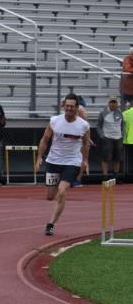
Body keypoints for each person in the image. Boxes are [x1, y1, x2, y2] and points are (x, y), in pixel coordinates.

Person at [35, 93, 91, 236]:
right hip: (53, 161)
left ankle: (51, 224)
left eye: (72, 106)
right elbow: (44, 139)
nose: (69, 109)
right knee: (50, 196)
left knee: (62, 191)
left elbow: (85, 144)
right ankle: (57, 200)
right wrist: (39, 158)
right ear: (63, 106)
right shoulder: (54, 121)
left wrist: (85, 161)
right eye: (67, 106)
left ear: (77, 108)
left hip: (72, 162)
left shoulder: (83, 125)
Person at [97, 96, 125, 180]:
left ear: (117, 104)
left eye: (114, 102)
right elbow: (98, 126)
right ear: (108, 103)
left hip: (118, 138)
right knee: (106, 158)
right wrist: (102, 135)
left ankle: (115, 176)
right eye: (111, 102)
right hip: (107, 138)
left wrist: (122, 134)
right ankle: (105, 176)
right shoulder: (103, 113)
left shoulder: (120, 113)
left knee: (117, 158)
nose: (113, 104)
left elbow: (123, 125)